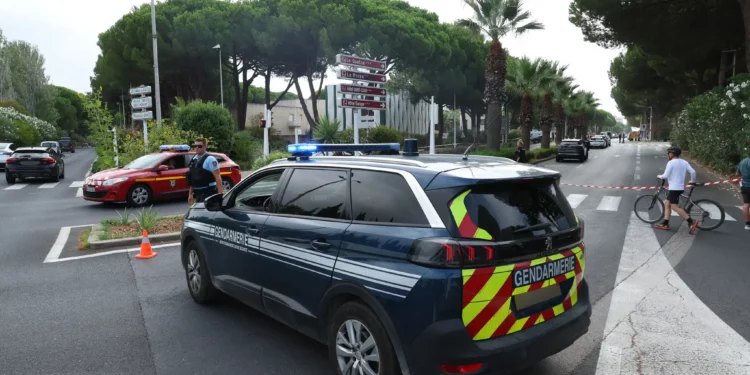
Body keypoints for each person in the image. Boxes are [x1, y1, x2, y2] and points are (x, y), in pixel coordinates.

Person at [654, 146, 699, 234]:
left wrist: (659, 176)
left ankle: (691, 222)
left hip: (674, 188)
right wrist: (692, 181)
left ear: (671, 154)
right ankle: (665, 223)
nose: (668, 155)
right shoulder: (684, 162)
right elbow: (693, 172)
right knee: (667, 203)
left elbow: (665, 176)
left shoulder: (671, 163)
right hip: (679, 187)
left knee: (674, 207)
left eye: (668, 154)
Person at [187, 138, 224, 205]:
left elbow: (218, 177)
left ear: (205, 146)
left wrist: (220, 196)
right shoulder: (194, 159)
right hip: (198, 194)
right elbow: (192, 179)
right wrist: (190, 194)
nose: (197, 148)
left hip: (209, 193)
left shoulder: (210, 159)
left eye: (199, 146)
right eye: (195, 146)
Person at [737, 154, 750, 230]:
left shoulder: (743, 161)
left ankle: (747, 224)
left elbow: (737, 173)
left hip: (744, 186)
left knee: (746, 204)